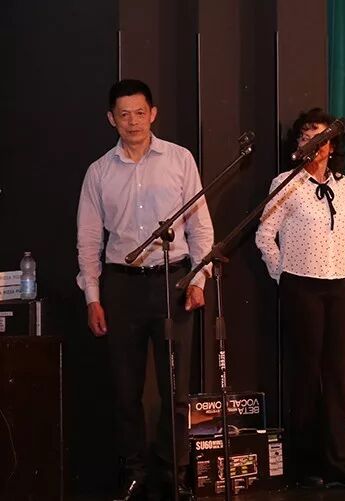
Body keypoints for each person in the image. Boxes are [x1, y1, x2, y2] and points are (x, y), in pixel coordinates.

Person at [76, 79, 214, 500]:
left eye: (140, 112)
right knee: (125, 390)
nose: (133, 121)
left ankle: (175, 473)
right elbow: (88, 240)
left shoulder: (179, 159)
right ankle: (133, 472)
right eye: (124, 114)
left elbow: (201, 226)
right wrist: (93, 297)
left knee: (176, 390)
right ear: (111, 119)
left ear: (153, 114)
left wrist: (198, 279)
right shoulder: (99, 172)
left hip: (173, 282)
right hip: (121, 287)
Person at [255, 108, 345, 490]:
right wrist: (283, 275)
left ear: (331, 144)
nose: (313, 144)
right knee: (305, 375)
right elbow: (264, 235)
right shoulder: (285, 183)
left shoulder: (344, 185)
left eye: (320, 137)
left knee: (336, 375)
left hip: (337, 286)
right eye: (306, 137)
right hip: (300, 286)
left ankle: (341, 464)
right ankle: (303, 465)